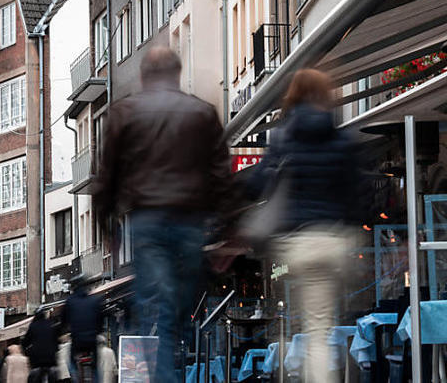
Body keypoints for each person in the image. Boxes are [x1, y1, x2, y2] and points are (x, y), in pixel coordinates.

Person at [94, 46, 233, 382]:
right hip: (190, 222)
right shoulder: (202, 113)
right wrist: (229, 231)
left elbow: (107, 175)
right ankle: (168, 368)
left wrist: (106, 225)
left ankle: (162, 374)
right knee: (174, 311)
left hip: (148, 220)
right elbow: (221, 176)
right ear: (177, 73)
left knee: (155, 305)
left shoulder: (125, 113)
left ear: (143, 76)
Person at [245, 68, 361, 383]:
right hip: (332, 241)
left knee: (308, 327)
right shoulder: (340, 139)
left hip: (298, 244)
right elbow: (355, 194)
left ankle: (287, 357)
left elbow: (256, 185)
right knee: (320, 325)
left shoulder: (283, 137)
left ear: (293, 96)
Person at [63, 276, 102, 382]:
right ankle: (97, 379)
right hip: (91, 340)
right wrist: (98, 331)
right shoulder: (94, 300)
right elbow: (100, 319)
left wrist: (64, 331)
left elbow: (64, 321)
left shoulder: (70, 301)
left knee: (70, 362)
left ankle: (75, 378)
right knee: (96, 365)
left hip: (77, 341)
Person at [22, 308, 59, 382]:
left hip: (37, 359)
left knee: (34, 377)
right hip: (51, 357)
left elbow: (26, 341)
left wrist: (26, 350)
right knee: (54, 376)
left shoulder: (33, 326)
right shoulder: (51, 324)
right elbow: (56, 339)